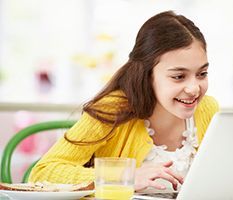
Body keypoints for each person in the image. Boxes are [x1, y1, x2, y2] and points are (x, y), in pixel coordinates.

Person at [29, 10, 219, 192]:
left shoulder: (209, 110)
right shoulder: (112, 108)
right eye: (178, 76)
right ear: (147, 74)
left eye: (202, 74)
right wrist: (125, 177)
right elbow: (43, 172)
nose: (194, 88)